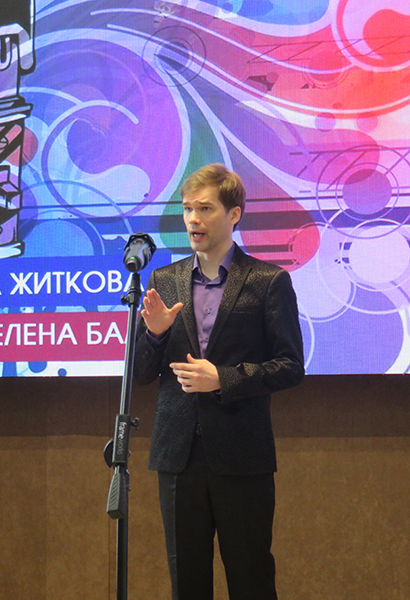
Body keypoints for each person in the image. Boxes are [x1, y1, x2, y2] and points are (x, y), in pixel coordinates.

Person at [134, 163, 305, 600]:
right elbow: (139, 374)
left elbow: (290, 366)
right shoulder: (163, 281)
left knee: (251, 579)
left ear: (234, 214)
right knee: (187, 583)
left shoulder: (268, 282)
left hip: (242, 455)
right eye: (187, 208)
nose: (193, 219)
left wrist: (222, 378)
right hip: (177, 455)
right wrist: (154, 335)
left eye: (205, 209)